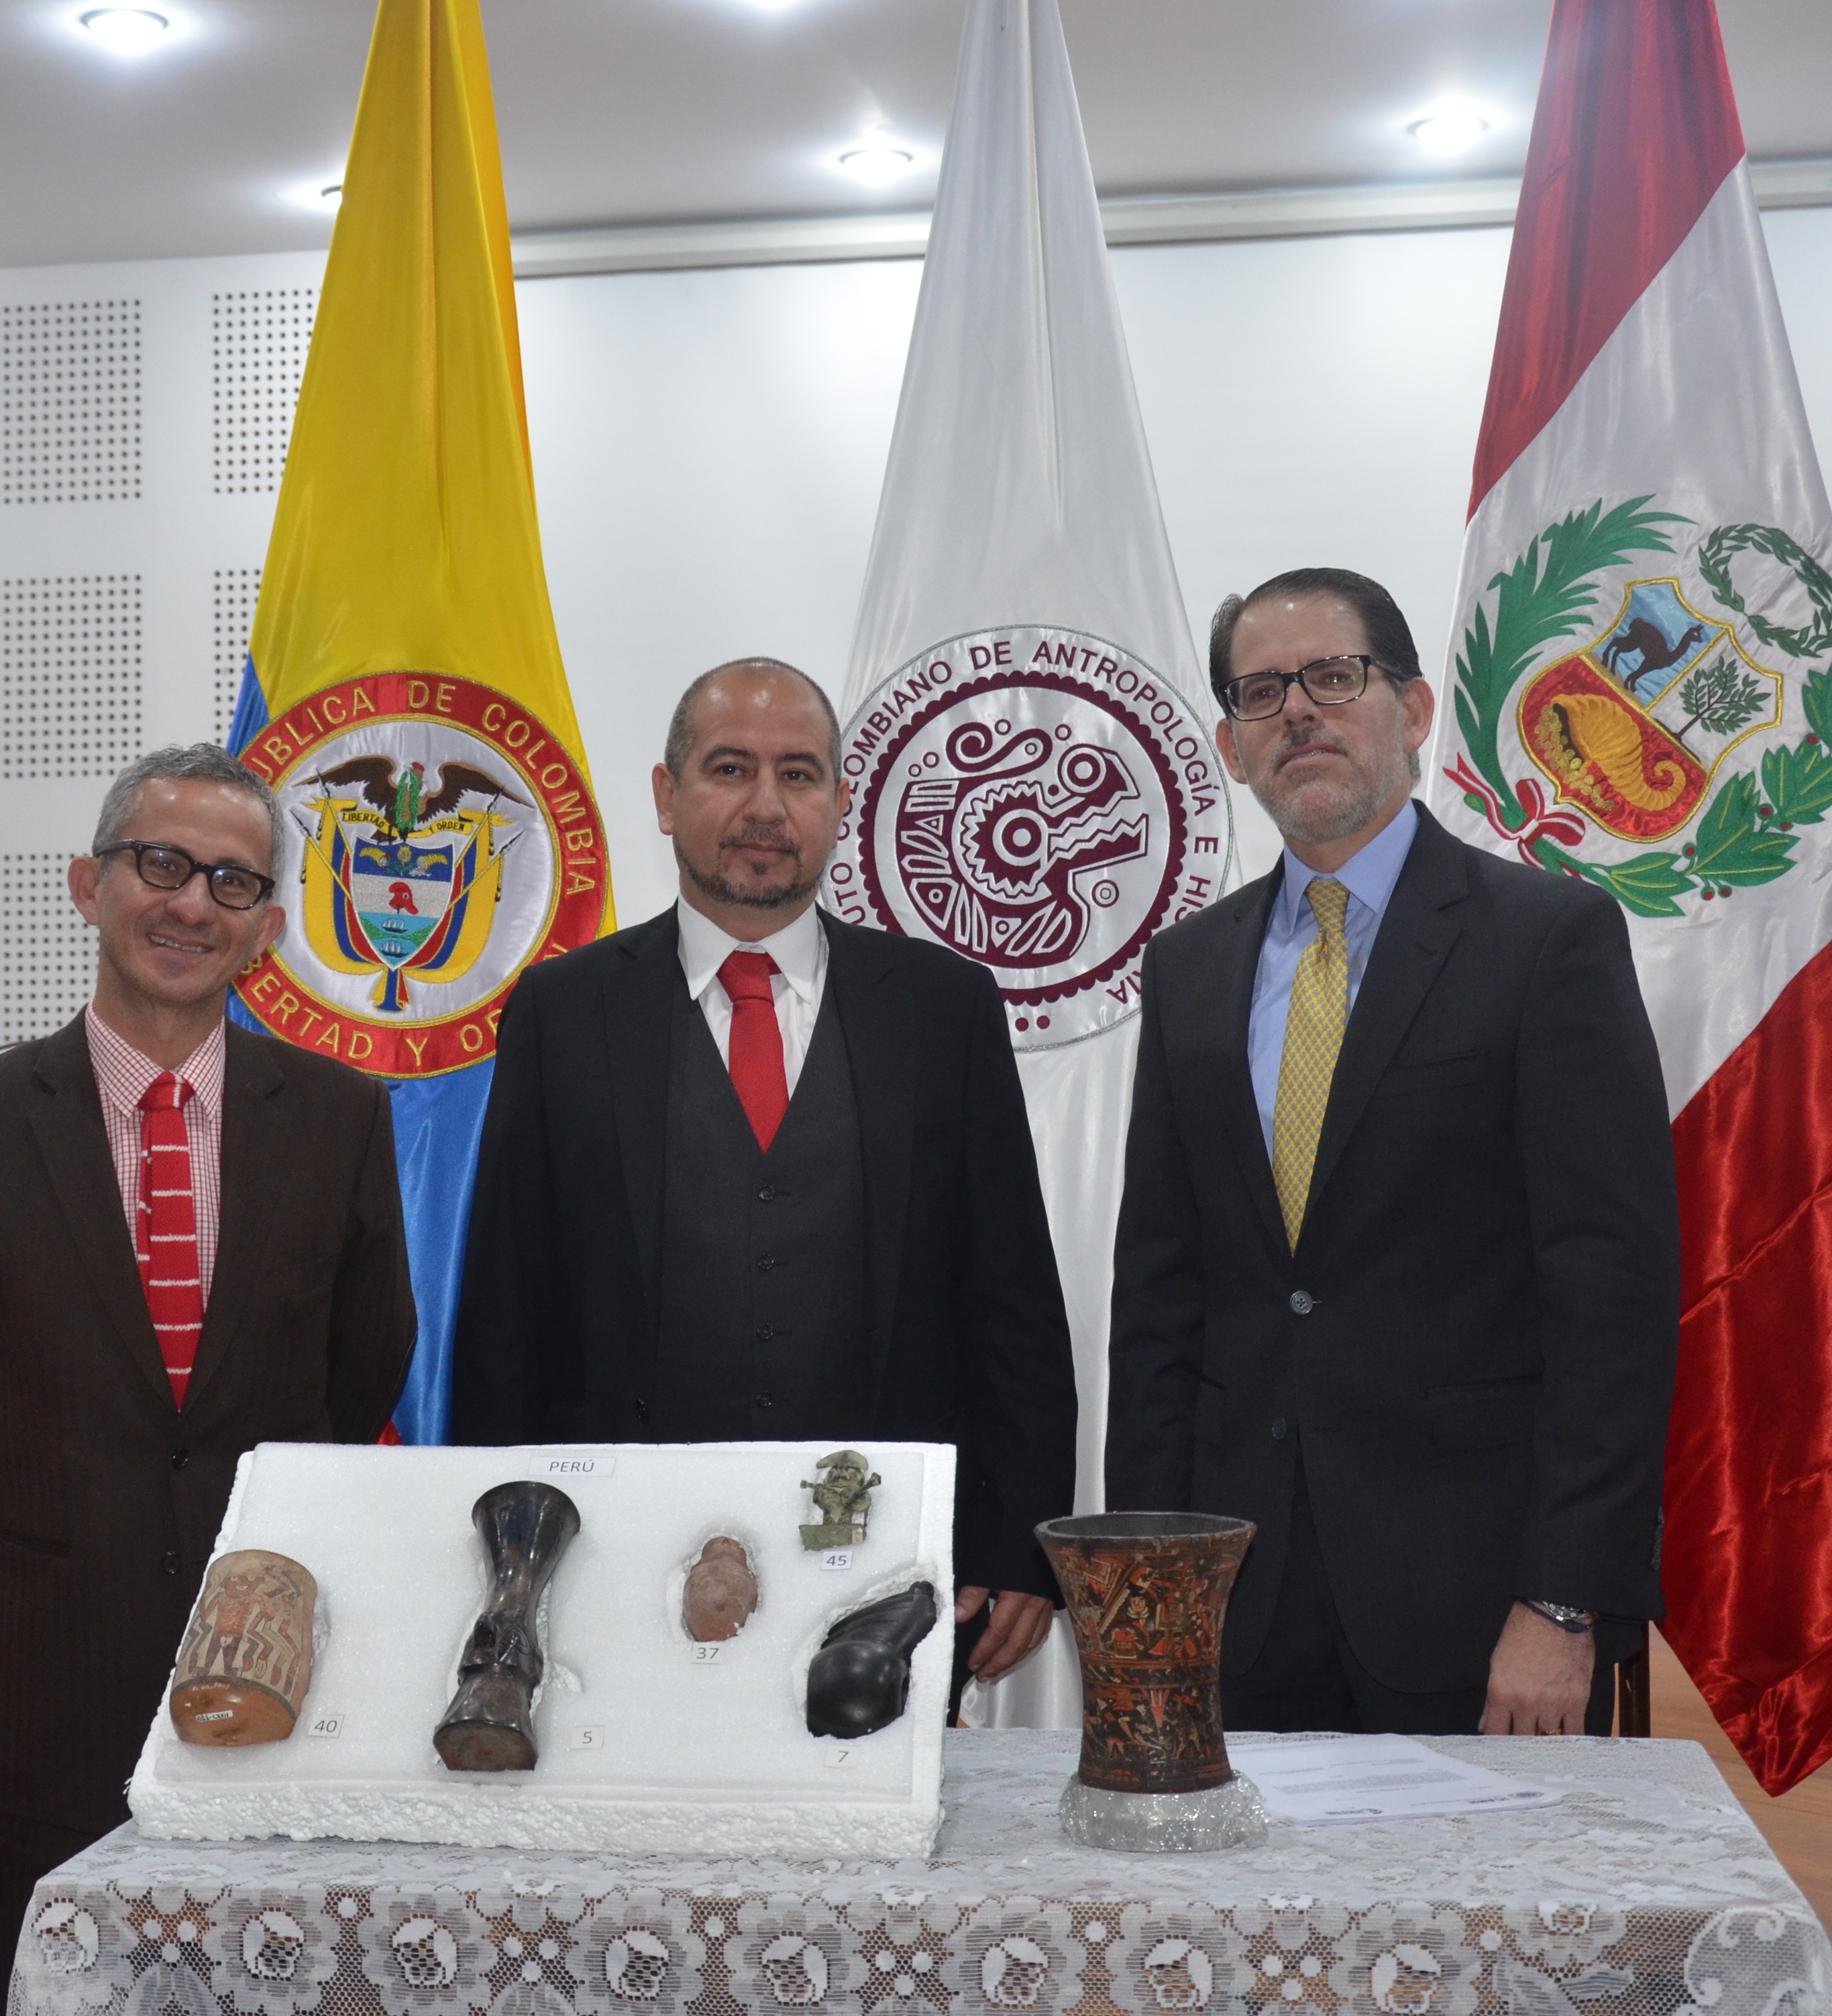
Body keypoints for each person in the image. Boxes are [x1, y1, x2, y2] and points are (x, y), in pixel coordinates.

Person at [0, 743, 414, 2012]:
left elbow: (364, 1366)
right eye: (160, 863)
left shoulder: (340, 1118)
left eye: (232, 883)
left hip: (275, 1671)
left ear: (269, 929)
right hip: (51, 1670)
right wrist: (57, 1513)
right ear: (88, 883)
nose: (191, 903)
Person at [1105, 570, 1678, 1737]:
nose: (1299, 713)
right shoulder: (1190, 970)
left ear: (1412, 713)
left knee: (1495, 1924)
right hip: (1239, 1599)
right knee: (1247, 1927)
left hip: (1477, 1605)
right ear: (1228, 743)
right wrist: (1153, 1594)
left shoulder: (1544, 943)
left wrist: (1564, 1602)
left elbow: (1611, 1305)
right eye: (1262, 693)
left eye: (1334, 676)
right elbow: (1160, 1302)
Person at [453, 657, 1080, 1689]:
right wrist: (512, 1570)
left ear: (839, 802)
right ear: (666, 795)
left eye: (798, 774)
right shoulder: (560, 1014)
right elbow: (505, 1318)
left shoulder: (942, 1009)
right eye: (729, 768)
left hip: (891, 1581)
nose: (764, 806)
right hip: (613, 1575)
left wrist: (1022, 1541)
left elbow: (1009, 1297)